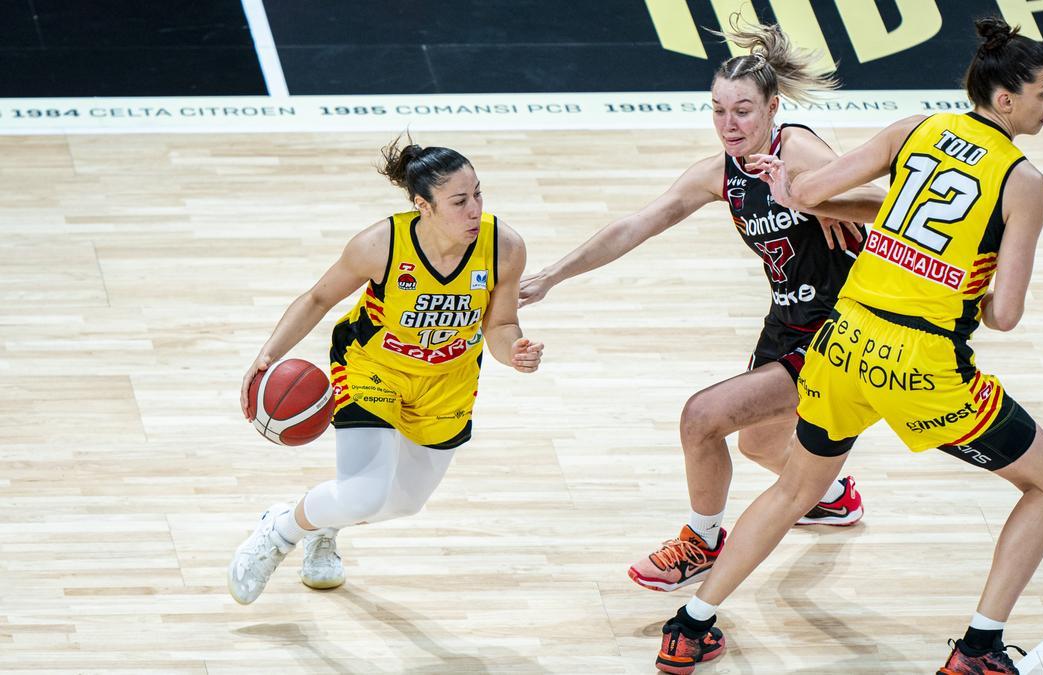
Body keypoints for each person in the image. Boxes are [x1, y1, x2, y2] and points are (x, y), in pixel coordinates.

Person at [650, 17, 1043, 675]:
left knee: (797, 484)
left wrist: (882, 228)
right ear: (1004, 100)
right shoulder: (1025, 182)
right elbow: (1005, 314)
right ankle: (979, 648)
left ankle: (691, 624)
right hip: (922, 367)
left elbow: (809, 193)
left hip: (841, 343)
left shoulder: (918, 127)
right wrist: (972, 260)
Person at [520, 17, 884, 595]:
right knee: (759, 442)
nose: (728, 123)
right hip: (785, 321)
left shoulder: (799, 147)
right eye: (718, 110)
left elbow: (886, 198)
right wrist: (551, 276)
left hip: (839, 331)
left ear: (771, 109)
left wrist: (824, 200)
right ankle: (834, 498)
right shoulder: (722, 173)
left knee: (702, 419)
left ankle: (702, 540)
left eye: (742, 110)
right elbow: (638, 224)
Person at [227, 137, 543, 604]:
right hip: (372, 367)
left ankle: (323, 526)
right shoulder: (380, 245)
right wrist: (268, 353)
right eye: (459, 201)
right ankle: (279, 531)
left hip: (449, 380)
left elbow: (500, 324)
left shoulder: (504, 246)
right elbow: (318, 298)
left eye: (478, 194)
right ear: (424, 205)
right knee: (363, 492)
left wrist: (512, 350)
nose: (474, 209)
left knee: (405, 502)